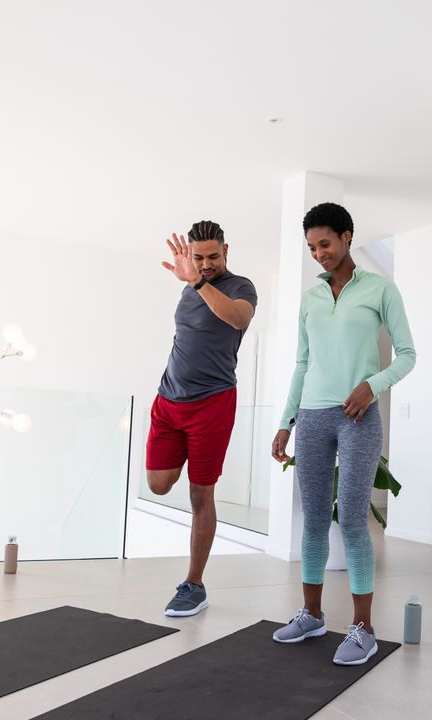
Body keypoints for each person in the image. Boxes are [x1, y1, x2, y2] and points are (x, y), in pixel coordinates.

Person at [270, 202, 416, 664]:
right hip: (312, 416)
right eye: (312, 247)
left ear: (347, 236)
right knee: (314, 519)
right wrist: (286, 421)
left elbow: (408, 355)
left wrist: (372, 386)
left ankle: (363, 628)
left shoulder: (380, 289)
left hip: (358, 417)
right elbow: (302, 363)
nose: (319, 254)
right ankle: (311, 615)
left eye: (325, 243)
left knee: (352, 520)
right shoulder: (310, 298)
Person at [148, 220, 257, 617]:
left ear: (226, 250)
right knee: (158, 485)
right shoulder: (187, 289)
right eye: (199, 258)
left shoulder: (240, 287)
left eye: (213, 256)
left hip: (212, 403)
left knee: (200, 493)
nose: (206, 264)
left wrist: (197, 281)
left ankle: (194, 584)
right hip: (168, 400)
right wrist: (191, 283)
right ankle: (183, 455)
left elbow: (238, 319)